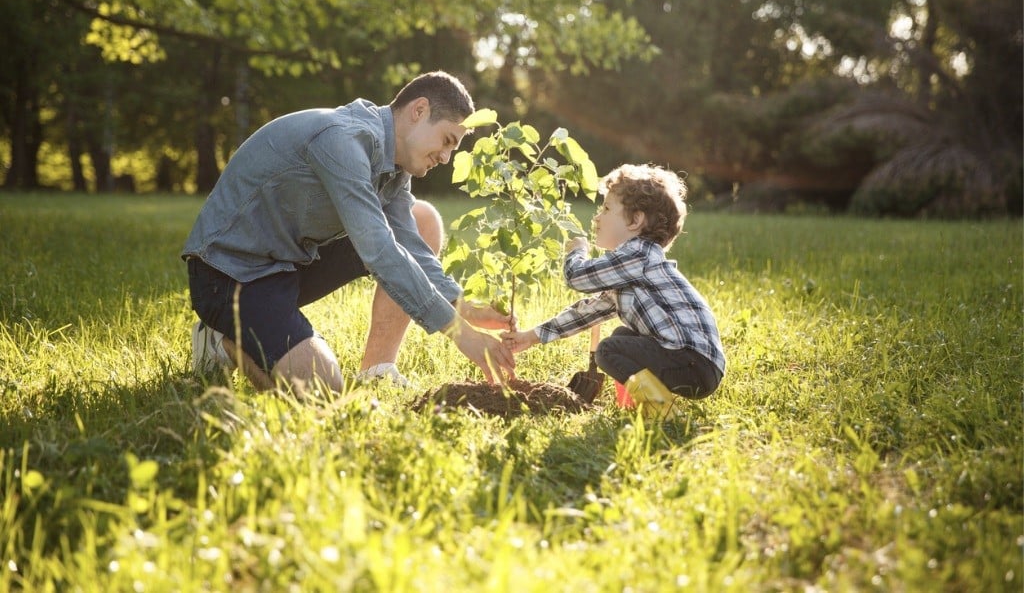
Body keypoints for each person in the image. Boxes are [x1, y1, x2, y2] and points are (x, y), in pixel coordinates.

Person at [182, 71, 516, 394]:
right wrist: (461, 334)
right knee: (322, 391)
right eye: (447, 141)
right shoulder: (343, 139)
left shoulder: (396, 167)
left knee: (422, 220)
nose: (445, 157)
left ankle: (377, 370)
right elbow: (380, 250)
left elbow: (410, 245)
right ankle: (221, 341)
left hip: (288, 262)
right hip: (230, 275)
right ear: (419, 110)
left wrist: (463, 306)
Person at [502, 163, 725, 412]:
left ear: (635, 220)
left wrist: (577, 251)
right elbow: (586, 312)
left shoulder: (638, 254)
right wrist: (530, 337)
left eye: (606, 208)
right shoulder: (631, 269)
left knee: (608, 350)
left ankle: (661, 411)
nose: (597, 217)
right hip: (696, 364)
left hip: (692, 361)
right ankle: (636, 406)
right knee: (621, 337)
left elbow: (577, 277)